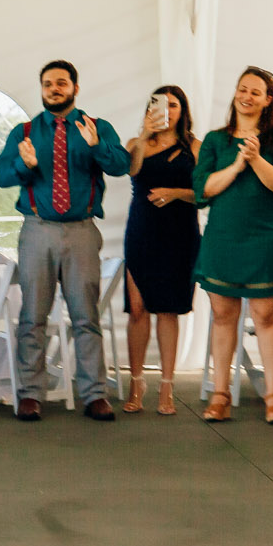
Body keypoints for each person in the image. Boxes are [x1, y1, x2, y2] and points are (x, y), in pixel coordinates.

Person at [0, 60, 130, 421]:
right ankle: (30, 394)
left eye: (62, 83)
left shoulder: (95, 127)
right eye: (48, 83)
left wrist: (97, 145)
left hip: (82, 232)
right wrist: (24, 164)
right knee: (33, 316)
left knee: (86, 316)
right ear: (41, 89)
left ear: (75, 88)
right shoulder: (24, 131)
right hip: (37, 231)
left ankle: (94, 394)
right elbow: (2, 175)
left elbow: (122, 165)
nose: (54, 88)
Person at [194, 68, 273, 423]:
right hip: (223, 237)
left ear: (268, 100)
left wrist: (256, 159)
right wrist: (239, 163)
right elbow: (203, 190)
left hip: (265, 238)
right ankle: (220, 394)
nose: (248, 96)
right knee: (224, 316)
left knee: (266, 317)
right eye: (243, 89)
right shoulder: (214, 140)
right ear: (235, 94)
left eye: (256, 92)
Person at [121, 85, 201, 415]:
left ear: (183, 110)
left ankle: (167, 387)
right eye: (161, 104)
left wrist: (176, 192)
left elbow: (206, 192)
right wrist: (144, 135)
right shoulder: (135, 143)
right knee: (137, 308)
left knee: (168, 309)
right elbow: (132, 170)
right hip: (142, 229)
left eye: (174, 105)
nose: (167, 110)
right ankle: (136, 383)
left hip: (179, 232)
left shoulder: (195, 146)